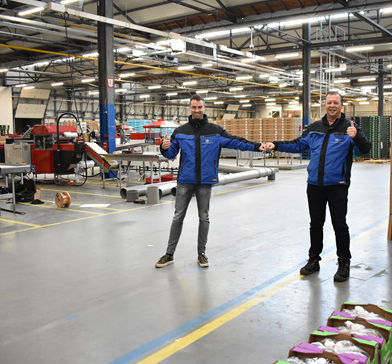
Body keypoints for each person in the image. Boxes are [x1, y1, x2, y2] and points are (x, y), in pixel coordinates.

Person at [263, 91, 371, 282]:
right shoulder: (314, 128)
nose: (332, 106)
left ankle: (344, 262)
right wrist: (276, 145)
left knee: (339, 224)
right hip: (315, 185)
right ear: (325, 105)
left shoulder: (350, 127)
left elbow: (366, 149)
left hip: (338, 185)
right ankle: (314, 259)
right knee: (315, 224)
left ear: (341, 106)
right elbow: (297, 145)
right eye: (329, 102)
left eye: (335, 103)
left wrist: (356, 137)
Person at [156, 94, 266, 268]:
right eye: (194, 107)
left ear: (204, 108)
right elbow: (171, 154)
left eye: (199, 107)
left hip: (205, 181)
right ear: (190, 108)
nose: (197, 110)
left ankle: (202, 253)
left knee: (204, 217)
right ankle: (169, 254)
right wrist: (163, 148)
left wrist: (257, 146)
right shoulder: (180, 131)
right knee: (178, 217)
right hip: (185, 180)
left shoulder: (215, 131)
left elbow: (237, 142)